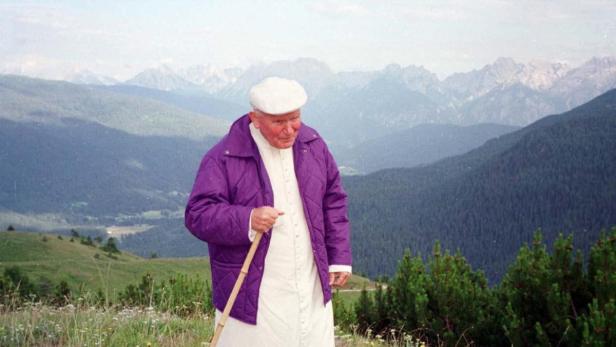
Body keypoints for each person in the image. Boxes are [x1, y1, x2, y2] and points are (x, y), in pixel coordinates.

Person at [185, 76, 352, 346]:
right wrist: (247, 219)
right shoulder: (223, 156)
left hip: (309, 283)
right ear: (255, 117)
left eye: (294, 118)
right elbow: (198, 214)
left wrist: (339, 257)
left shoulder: (313, 145)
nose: (289, 129)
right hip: (255, 293)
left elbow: (334, 200)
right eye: (278, 122)